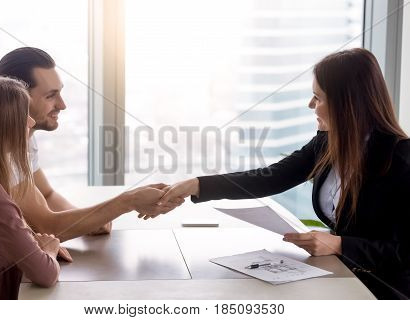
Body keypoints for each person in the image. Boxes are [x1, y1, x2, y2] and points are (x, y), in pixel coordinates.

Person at [153, 48, 410, 299]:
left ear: (347, 103)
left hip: (385, 293)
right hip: (344, 279)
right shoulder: (327, 143)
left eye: (318, 98)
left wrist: (341, 244)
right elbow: (272, 177)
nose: (310, 105)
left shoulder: (401, 158)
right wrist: (196, 185)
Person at [0, 47, 183, 246]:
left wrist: (92, 221)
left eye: (60, 93)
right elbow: (47, 227)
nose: (62, 104)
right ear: (17, 98)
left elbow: (47, 195)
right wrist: (129, 201)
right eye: (50, 96)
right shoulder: (2, 150)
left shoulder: (26, 138)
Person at [0, 77, 60, 299]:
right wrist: (49, 251)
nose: (31, 122)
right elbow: (45, 274)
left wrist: (36, 247)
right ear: (0, 128)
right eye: (21, 117)